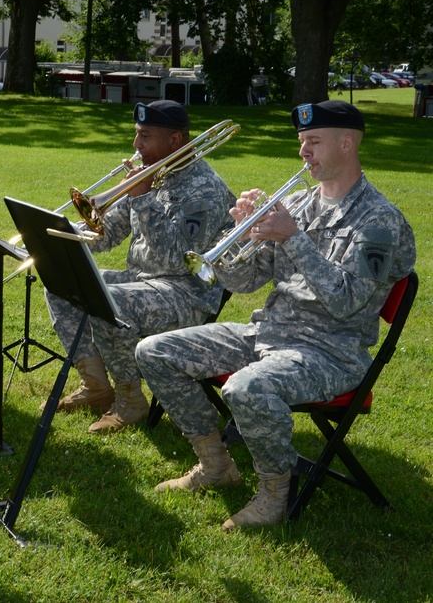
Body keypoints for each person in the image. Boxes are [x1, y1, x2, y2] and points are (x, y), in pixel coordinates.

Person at [135, 100, 416, 531]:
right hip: (267, 332)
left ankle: (273, 493)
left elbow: (346, 301)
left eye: (314, 141)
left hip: (329, 352)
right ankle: (215, 462)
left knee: (246, 388)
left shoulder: (380, 221)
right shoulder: (300, 204)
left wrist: (294, 239)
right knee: (155, 351)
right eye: (302, 142)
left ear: (346, 144)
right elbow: (246, 281)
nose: (304, 151)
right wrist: (238, 238)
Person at [45, 100, 235, 434]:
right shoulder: (154, 176)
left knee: (109, 301)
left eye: (145, 136)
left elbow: (174, 260)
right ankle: (96, 387)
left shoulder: (205, 189)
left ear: (174, 141)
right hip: (142, 280)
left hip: (185, 294)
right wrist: (58, 236)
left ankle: (130, 400)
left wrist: (142, 197)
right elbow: (107, 236)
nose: (136, 145)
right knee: (63, 279)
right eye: (136, 134)